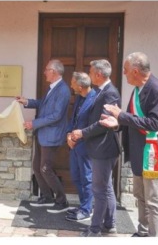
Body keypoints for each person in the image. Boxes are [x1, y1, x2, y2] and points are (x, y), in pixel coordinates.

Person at [99, 52, 158, 237]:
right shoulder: (138, 89)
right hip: (139, 151)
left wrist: (121, 116)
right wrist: (117, 123)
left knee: (153, 200)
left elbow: (153, 124)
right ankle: (142, 232)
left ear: (134, 71)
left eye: (125, 71)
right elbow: (133, 120)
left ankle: (154, 237)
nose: (124, 74)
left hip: (152, 153)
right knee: (140, 196)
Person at [70, 59, 121, 236]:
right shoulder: (102, 91)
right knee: (106, 188)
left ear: (98, 74)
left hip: (104, 149)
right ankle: (109, 224)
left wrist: (82, 133)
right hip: (100, 148)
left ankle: (95, 229)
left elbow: (103, 124)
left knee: (99, 190)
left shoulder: (109, 93)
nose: (89, 75)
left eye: (91, 72)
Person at [16, 59, 71, 213]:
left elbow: (56, 116)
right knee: (37, 167)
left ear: (54, 72)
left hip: (51, 135)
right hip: (43, 134)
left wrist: (33, 123)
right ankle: (47, 197)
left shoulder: (63, 90)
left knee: (46, 168)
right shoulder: (52, 88)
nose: (44, 72)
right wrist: (26, 102)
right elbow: (42, 104)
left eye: (47, 69)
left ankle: (62, 201)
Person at [64, 72, 96, 222]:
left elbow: (94, 126)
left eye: (72, 83)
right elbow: (73, 119)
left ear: (80, 85)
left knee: (87, 179)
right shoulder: (78, 98)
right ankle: (84, 205)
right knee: (76, 177)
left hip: (86, 146)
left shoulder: (95, 99)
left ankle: (86, 209)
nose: (71, 85)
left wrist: (80, 136)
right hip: (74, 146)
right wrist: (69, 135)